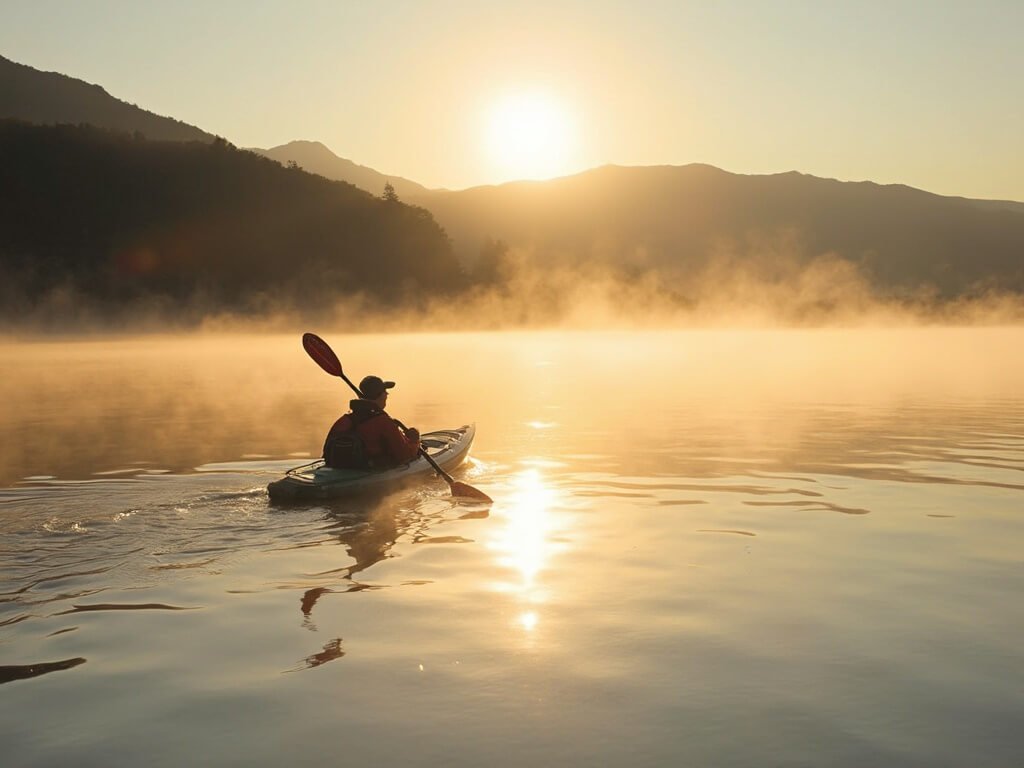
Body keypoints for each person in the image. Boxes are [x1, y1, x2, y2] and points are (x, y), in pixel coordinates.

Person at [322, 375, 420, 469]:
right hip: (371, 469)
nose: (387, 394)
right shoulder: (384, 422)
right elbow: (405, 456)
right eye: (385, 392)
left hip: (338, 467)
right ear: (380, 396)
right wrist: (414, 440)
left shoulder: (345, 420)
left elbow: (326, 453)